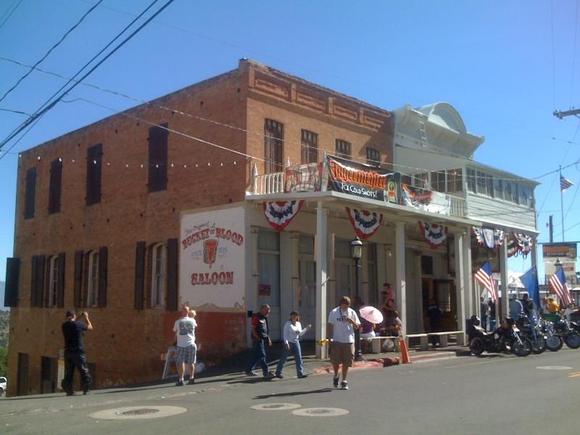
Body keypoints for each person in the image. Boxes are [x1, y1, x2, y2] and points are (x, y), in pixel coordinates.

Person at [327, 296, 360, 390]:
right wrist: (330, 340)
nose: (346, 307)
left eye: (348, 305)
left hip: (349, 340)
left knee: (347, 361)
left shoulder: (352, 312)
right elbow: (330, 326)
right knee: (336, 362)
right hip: (337, 340)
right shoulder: (334, 312)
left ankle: (344, 380)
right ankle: (336, 375)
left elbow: (358, 327)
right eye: (344, 304)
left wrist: (352, 321)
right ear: (341, 304)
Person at [61, 310, 93, 396]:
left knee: (69, 372)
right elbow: (90, 327)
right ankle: (86, 389)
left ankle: (69, 390)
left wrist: (78, 317)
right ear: (73, 316)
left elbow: (73, 323)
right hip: (78, 351)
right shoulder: (79, 324)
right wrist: (86, 317)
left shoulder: (64, 325)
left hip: (68, 352)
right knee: (83, 370)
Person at [275, 311, 310, 379]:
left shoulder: (298, 324)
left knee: (299, 358)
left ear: (297, 317)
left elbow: (300, 334)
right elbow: (285, 335)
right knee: (283, 358)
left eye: (295, 316)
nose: (294, 317)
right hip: (289, 342)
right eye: (292, 315)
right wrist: (286, 343)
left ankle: (300, 373)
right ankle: (278, 372)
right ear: (290, 316)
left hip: (296, 342)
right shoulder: (287, 324)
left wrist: (306, 328)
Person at [245, 304, 274, 379]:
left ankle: (248, 370)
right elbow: (253, 328)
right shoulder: (256, 317)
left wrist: (268, 338)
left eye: (269, 310)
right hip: (258, 339)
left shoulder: (264, 318)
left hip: (262, 339)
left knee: (255, 356)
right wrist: (257, 337)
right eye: (266, 309)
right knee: (262, 355)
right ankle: (266, 372)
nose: (268, 311)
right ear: (261, 309)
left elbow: (265, 330)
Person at [173, 304, 197, 386]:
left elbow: (175, 331)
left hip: (181, 345)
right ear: (188, 312)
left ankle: (181, 379)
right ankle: (191, 378)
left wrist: (174, 342)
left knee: (180, 362)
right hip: (191, 343)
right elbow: (195, 326)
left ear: (182, 312)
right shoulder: (193, 321)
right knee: (191, 362)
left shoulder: (177, 322)